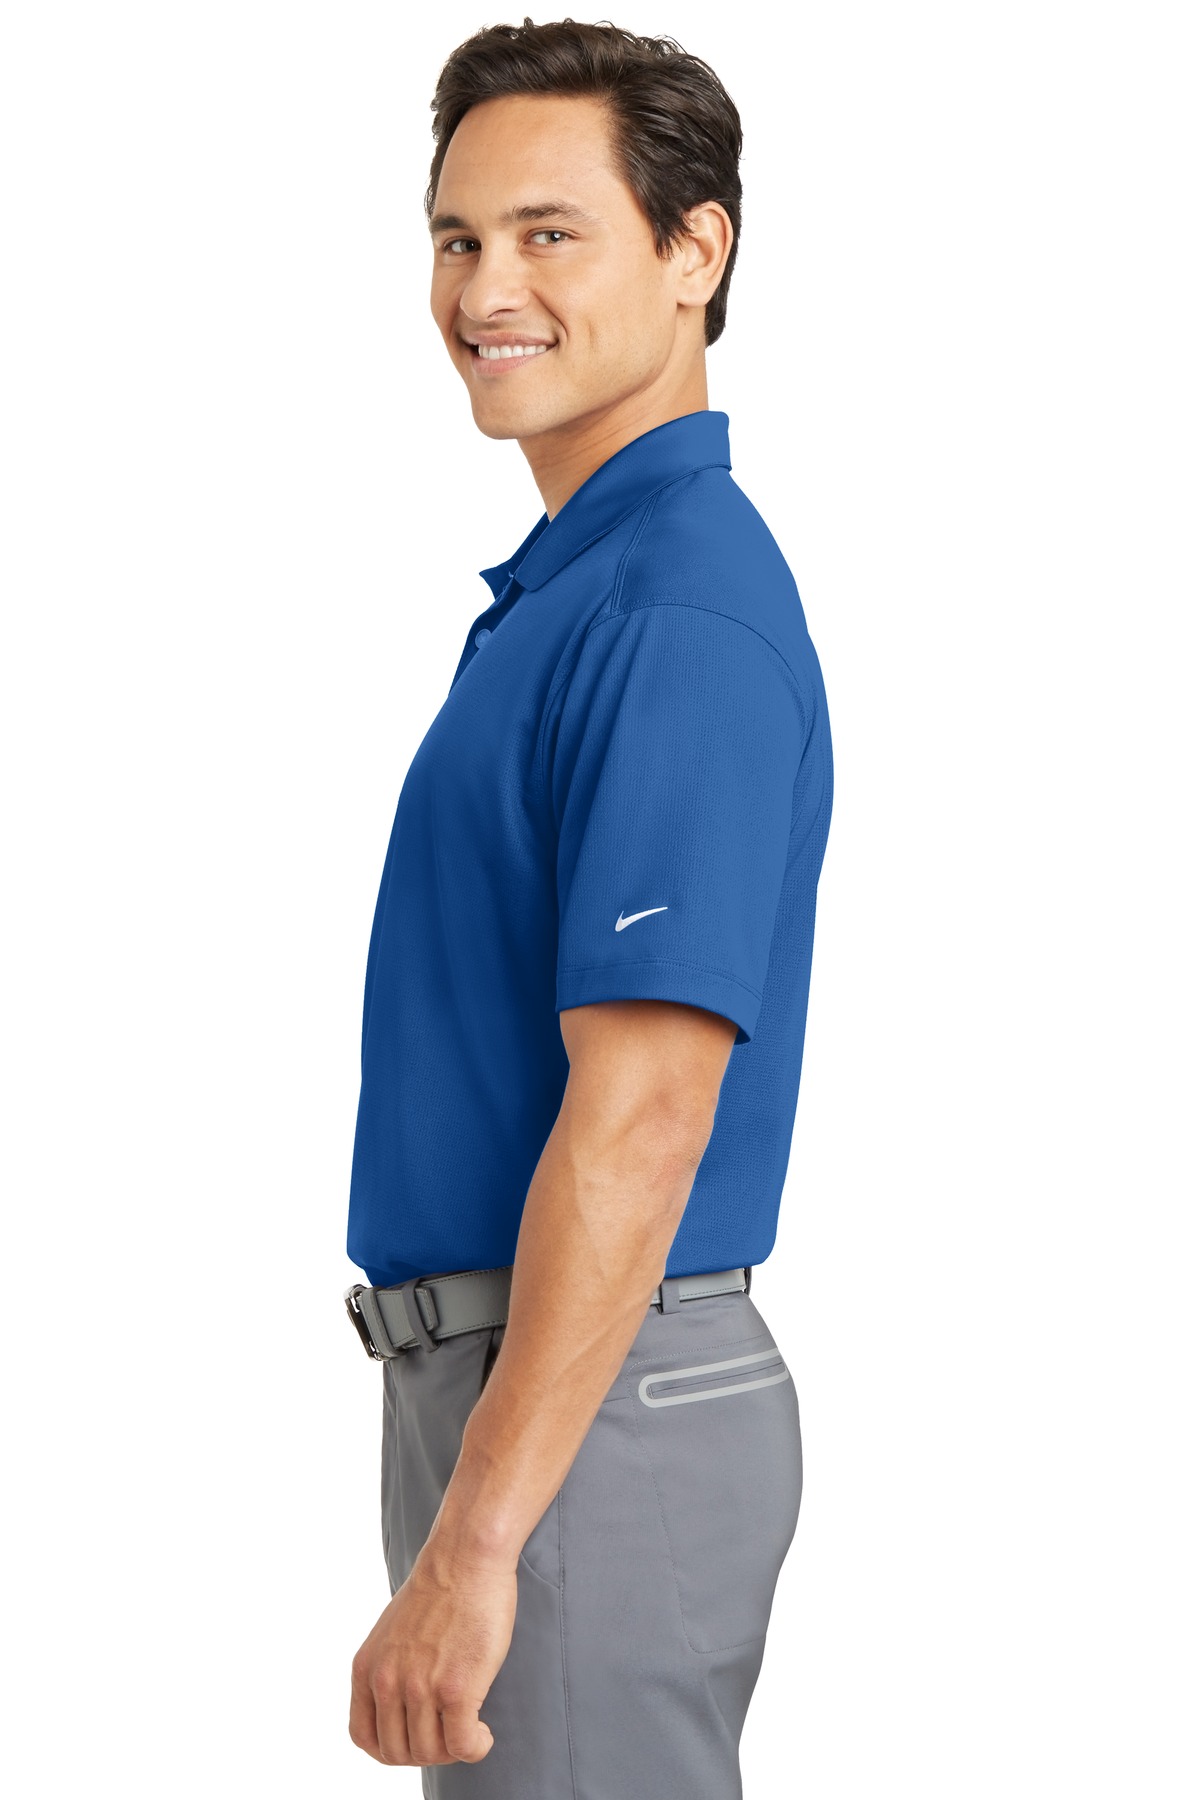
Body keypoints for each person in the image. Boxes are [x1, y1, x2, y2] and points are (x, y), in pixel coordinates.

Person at [344, 19, 834, 1796]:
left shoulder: (670, 615)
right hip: (547, 1390)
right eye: (459, 237)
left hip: (591, 1401)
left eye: (551, 233)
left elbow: (643, 1119)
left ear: (696, 252)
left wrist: (477, 1542)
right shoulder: (582, 591)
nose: (488, 289)